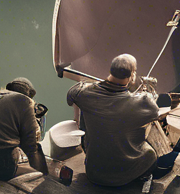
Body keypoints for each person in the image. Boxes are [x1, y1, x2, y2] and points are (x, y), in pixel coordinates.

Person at [66, 54, 165, 187]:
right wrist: (148, 92)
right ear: (132, 75)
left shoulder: (83, 93)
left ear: (110, 70)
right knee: (150, 153)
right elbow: (155, 112)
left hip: (94, 172)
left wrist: (77, 117)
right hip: (123, 177)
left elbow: (71, 95)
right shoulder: (140, 103)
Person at [0, 77, 49, 180]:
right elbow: (31, 146)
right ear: (30, 94)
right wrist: (44, 172)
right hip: (2, 169)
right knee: (37, 175)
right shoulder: (25, 102)